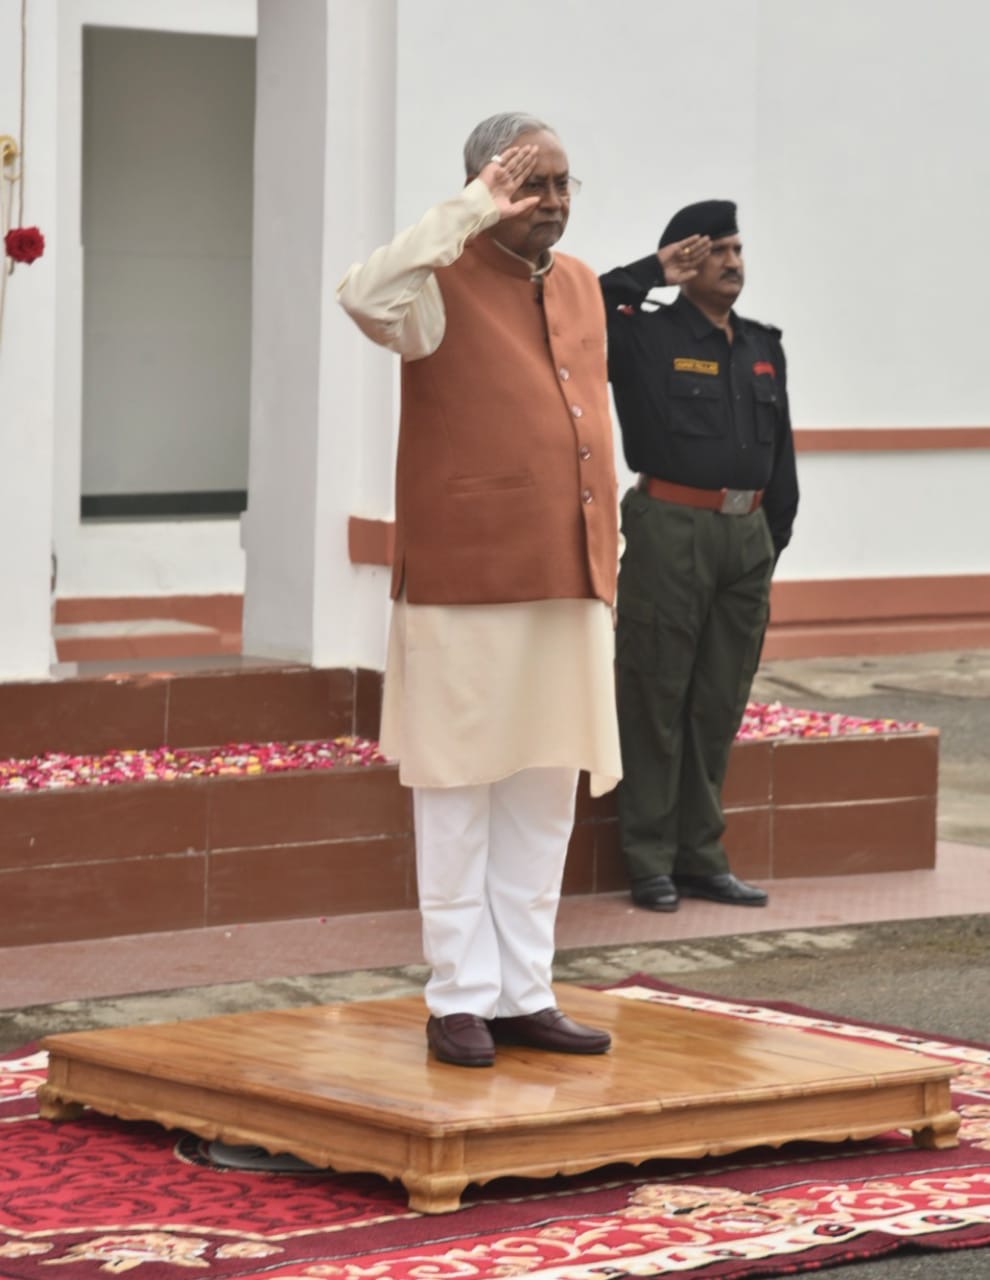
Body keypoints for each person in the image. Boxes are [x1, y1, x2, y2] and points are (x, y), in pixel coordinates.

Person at [337, 113, 622, 1066]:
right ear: (482, 187)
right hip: (465, 579)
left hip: (568, 572)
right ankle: (458, 994)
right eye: (528, 184)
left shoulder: (580, 283)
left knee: (546, 786)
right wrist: (464, 214)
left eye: (562, 183)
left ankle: (523, 991)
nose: (552, 201)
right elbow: (362, 294)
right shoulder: (434, 282)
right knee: (457, 789)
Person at [600, 200, 799, 913]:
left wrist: (770, 540)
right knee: (655, 693)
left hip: (745, 540)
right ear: (685, 260)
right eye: (714, 250)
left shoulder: (760, 344)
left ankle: (701, 857)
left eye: (737, 249)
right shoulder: (644, 337)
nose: (732, 262)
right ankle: (650, 858)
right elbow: (583, 310)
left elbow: (782, 455)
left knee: (719, 700)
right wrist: (653, 272)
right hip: (672, 526)